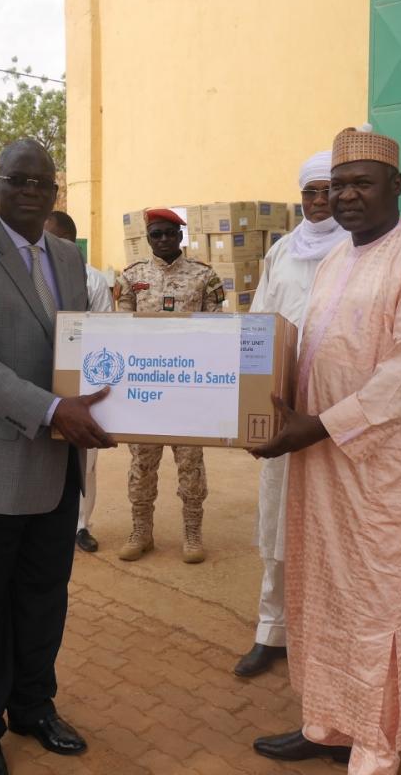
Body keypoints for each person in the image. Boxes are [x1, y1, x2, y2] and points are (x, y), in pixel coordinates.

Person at [250, 126, 401, 775]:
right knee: (323, 597)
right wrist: (266, 414)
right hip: (321, 467)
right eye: (337, 184)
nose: (345, 196)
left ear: (395, 187)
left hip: (386, 477)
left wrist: (312, 427)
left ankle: (375, 745)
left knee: (381, 609)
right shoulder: (336, 259)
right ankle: (326, 722)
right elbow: (308, 355)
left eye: (360, 183)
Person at [0, 139, 115, 775]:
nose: (34, 192)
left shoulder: (67, 256)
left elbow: (85, 346)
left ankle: (33, 705)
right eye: (20, 180)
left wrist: (128, 399)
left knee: (43, 596)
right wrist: (53, 409)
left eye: (45, 183)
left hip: (56, 464)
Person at [233, 150, 350, 678]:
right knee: (276, 525)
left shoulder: (359, 248)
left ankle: (328, 637)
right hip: (283, 412)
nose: (320, 200)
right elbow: (259, 323)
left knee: (334, 530)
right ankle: (271, 631)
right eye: (310, 192)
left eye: (328, 190)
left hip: (337, 416)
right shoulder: (281, 253)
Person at [113, 208, 225, 564]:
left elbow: (217, 331)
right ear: (148, 238)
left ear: (181, 235)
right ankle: (141, 532)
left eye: (169, 233)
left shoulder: (204, 276)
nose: (162, 240)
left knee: (190, 462)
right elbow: (121, 329)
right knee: (142, 463)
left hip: (187, 388)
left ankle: (192, 533)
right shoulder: (132, 277)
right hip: (145, 387)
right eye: (155, 234)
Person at [44, 209, 113, 554]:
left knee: (85, 459)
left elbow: (107, 333)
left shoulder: (93, 281)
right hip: (39, 381)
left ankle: (81, 526)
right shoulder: (29, 274)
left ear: (72, 243)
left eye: (57, 240)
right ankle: (47, 520)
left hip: (84, 383)